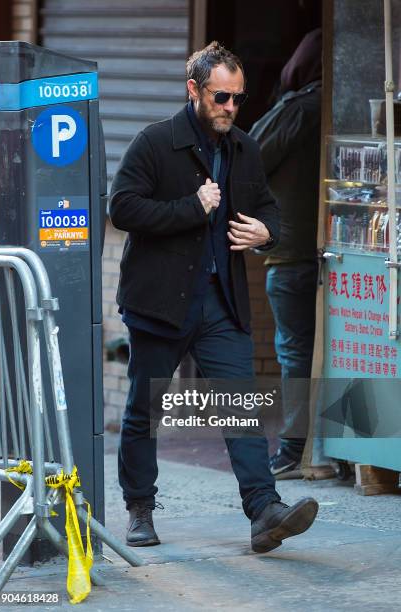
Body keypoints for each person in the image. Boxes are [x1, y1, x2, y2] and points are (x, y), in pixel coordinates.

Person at [109, 41, 318, 553]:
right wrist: (191, 207)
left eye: (238, 99)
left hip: (220, 302)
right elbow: (122, 208)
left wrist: (264, 233)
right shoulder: (155, 143)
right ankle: (139, 508)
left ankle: (264, 511)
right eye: (221, 97)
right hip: (159, 301)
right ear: (194, 90)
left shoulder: (245, 147)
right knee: (144, 410)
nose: (230, 108)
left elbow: (269, 209)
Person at [249, 29, 322, 477]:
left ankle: (294, 448)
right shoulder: (340, 106)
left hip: (293, 250)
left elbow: (247, 154)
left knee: (294, 351)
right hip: (334, 252)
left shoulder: (300, 108)